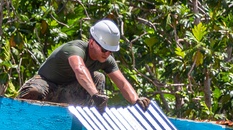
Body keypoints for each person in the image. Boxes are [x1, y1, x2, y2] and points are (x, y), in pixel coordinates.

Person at [17, 19, 150, 110]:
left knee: (98, 77)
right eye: (104, 49)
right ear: (92, 42)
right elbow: (80, 70)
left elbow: (122, 83)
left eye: (111, 51)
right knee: (34, 92)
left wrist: (136, 101)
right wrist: (95, 94)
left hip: (67, 92)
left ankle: (91, 119)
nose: (107, 54)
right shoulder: (75, 49)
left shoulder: (106, 59)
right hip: (47, 85)